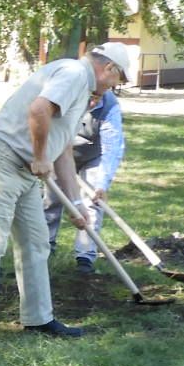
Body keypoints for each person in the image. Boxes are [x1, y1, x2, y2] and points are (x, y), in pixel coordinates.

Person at [0, 42, 135, 342]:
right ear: (110, 69)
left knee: (36, 244)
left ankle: (38, 318)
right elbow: (38, 109)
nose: (115, 87)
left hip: (26, 168)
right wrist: (40, 157)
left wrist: (76, 203)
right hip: (5, 158)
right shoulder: (75, 74)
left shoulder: (84, 89)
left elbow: (62, 148)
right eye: (119, 80)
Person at [43, 81, 126, 274]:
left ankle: (85, 257)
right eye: (90, 97)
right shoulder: (63, 96)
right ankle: (44, 249)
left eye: (97, 98)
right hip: (59, 153)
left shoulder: (109, 107)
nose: (92, 102)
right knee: (52, 200)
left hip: (92, 155)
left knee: (92, 203)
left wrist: (101, 185)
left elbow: (112, 147)